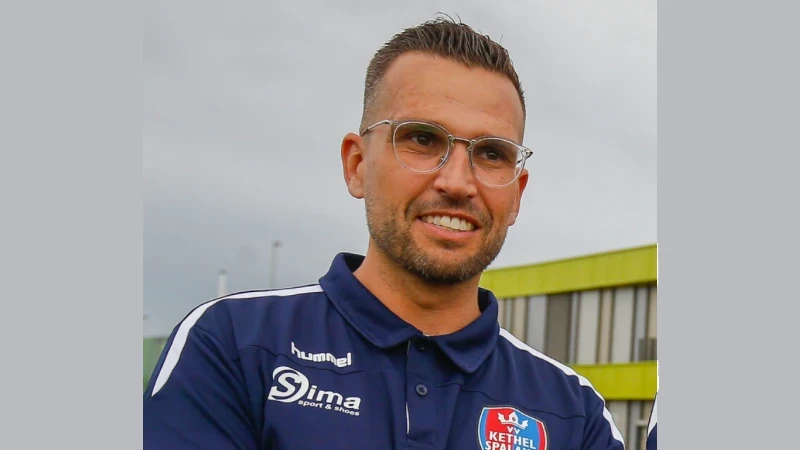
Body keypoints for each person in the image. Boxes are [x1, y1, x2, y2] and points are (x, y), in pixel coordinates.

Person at [144, 16, 625, 449]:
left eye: (491, 153)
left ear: (516, 194)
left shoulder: (573, 415)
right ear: (357, 165)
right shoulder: (235, 346)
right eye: (421, 139)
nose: (457, 182)